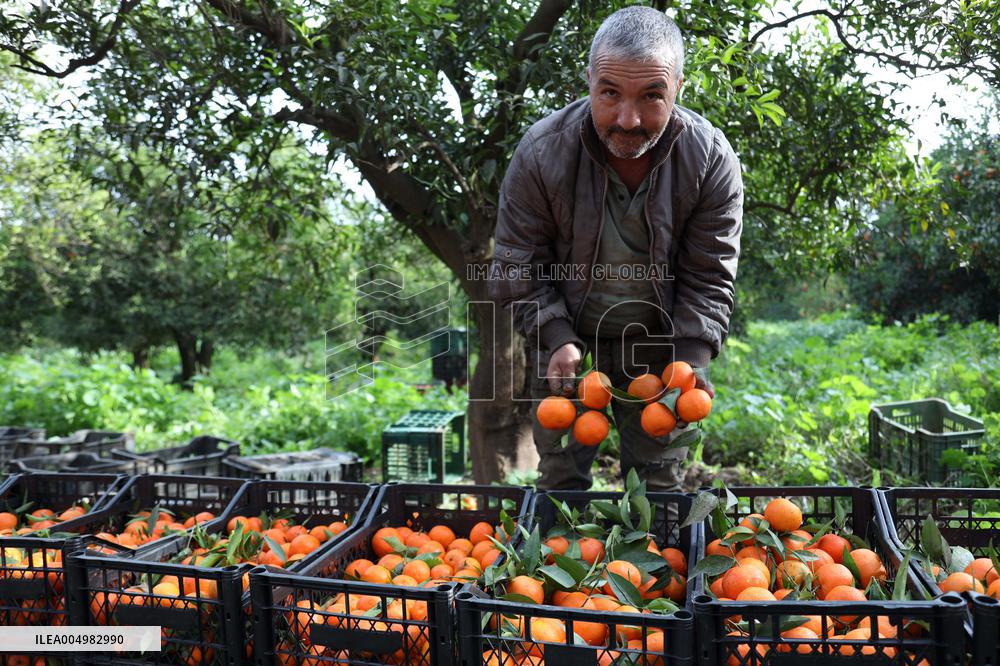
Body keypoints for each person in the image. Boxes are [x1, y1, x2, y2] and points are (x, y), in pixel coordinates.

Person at [489, 6, 743, 491]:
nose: (628, 119)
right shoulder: (543, 152)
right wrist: (556, 336)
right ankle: (563, 566)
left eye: (652, 96)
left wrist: (689, 358)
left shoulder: (708, 159)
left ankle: (647, 566)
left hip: (660, 348)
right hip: (567, 347)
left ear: (678, 88)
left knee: (659, 489)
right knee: (560, 482)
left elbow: (709, 274)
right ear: (588, 80)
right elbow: (518, 263)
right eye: (610, 93)